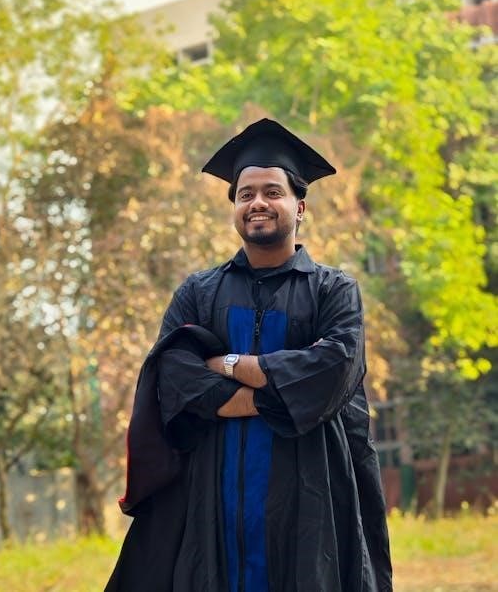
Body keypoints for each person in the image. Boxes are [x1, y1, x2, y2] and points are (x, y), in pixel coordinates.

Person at [105, 118, 392, 592]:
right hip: (211, 502)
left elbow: (333, 371)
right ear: (235, 208)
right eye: (246, 194)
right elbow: (174, 377)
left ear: (299, 208)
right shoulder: (199, 293)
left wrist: (230, 365)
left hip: (310, 498)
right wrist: (274, 393)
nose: (257, 202)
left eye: (272, 192)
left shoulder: (333, 290)